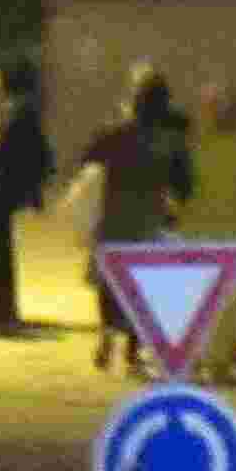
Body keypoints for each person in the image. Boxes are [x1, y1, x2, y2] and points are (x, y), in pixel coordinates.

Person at [76, 68, 191, 369]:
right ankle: (132, 349)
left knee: (109, 283)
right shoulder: (170, 140)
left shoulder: (114, 133)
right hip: (149, 219)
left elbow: (88, 157)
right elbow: (183, 184)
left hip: (114, 216)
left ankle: (106, 334)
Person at [0, 59, 55, 336]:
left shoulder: (19, 112)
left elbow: (8, 148)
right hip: (3, 189)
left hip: (1, 189)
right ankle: (4, 311)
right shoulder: (22, 109)